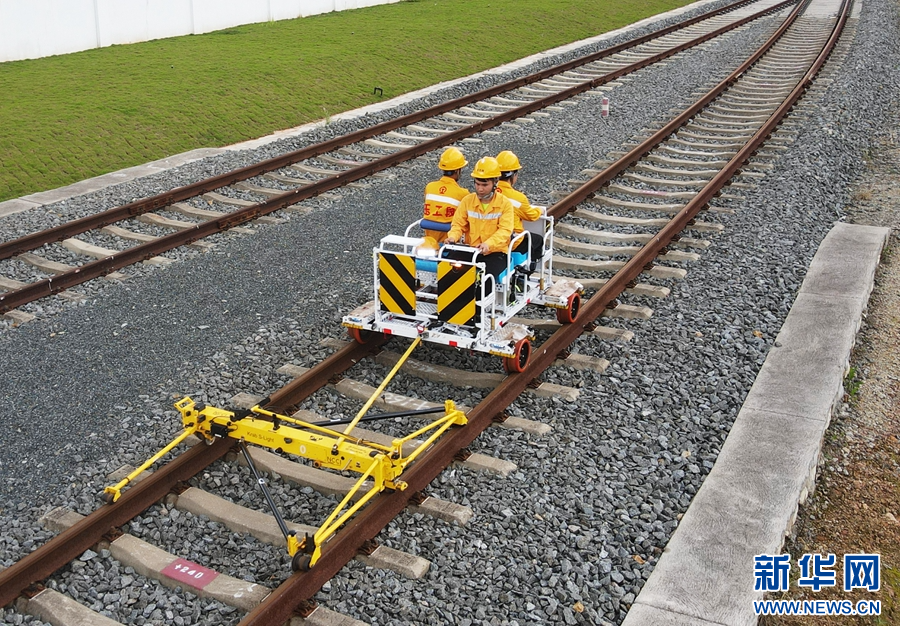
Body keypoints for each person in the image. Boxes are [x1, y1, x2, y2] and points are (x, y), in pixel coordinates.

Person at [445, 156, 515, 285]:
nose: (480, 189)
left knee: (486, 279)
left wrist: (488, 244)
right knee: (448, 269)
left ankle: (481, 298)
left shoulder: (505, 204)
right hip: (471, 250)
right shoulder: (467, 201)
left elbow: (505, 231)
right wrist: (452, 237)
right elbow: (458, 225)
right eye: (477, 184)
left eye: (485, 185)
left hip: (495, 253)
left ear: (495, 183)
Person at [496, 150, 543, 269]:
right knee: (538, 240)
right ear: (513, 175)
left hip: (489, 239)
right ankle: (526, 271)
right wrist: (540, 211)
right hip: (511, 242)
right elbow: (531, 216)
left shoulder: (486, 194)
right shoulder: (518, 198)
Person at [423, 147, 470, 243]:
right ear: (457, 170)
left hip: (429, 239)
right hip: (449, 240)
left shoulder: (430, 187)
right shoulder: (463, 193)